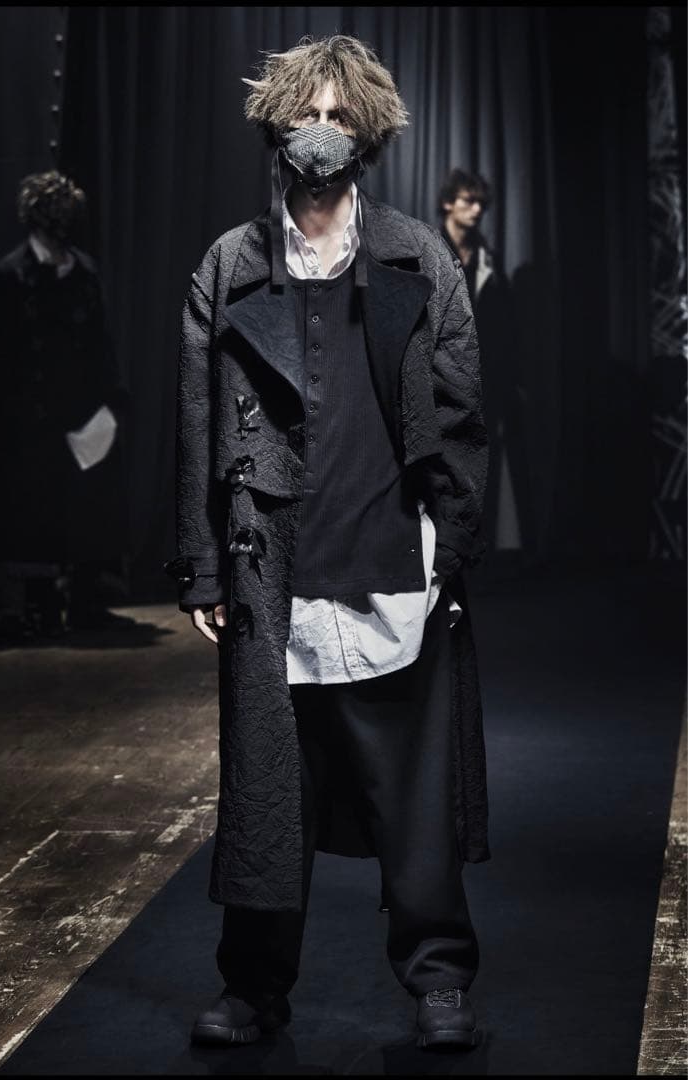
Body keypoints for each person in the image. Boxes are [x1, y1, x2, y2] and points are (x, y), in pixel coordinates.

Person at [165, 36, 489, 1050]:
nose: (320, 131)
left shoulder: (416, 258)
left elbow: (463, 414)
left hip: (392, 564)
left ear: (368, 133)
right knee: (269, 793)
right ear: (276, 125)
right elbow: (196, 422)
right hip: (274, 573)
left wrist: (447, 547)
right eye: (305, 112)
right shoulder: (229, 264)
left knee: (416, 798)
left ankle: (439, 982)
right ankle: (253, 987)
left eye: (339, 115)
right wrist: (204, 567)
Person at [0, 170, 129, 637]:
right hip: (29, 417)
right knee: (32, 513)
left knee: (84, 507)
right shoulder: (12, 275)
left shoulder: (83, 272)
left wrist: (108, 402)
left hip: (80, 413)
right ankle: (37, 606)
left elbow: (99, 343)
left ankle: (85, 600)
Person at [440, 167, 528, 559]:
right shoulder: (430, 250)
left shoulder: (487, 259)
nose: (476, 210)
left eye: (481, 204)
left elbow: (504, 330)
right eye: (469, 201)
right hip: (441, 381)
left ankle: (478, 552)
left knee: (482, 468)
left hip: (486, 384)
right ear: (449, 203)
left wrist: (512, 383)